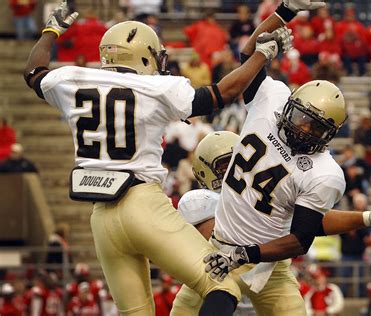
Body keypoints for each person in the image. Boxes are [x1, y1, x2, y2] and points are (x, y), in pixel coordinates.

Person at [23, 1, 292, 315]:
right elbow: (222, 94)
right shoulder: (157, 87)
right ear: (141, 54)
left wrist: (50, 31)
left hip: (102, 220)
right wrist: (262, 56)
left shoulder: (70, 80)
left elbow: (33, 72)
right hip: (143, 204)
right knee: (221, 286)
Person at [188, 4, 371, 316]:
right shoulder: (272, 100)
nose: (302, 128)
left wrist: (245, 254)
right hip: (218, 249)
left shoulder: (324, 173)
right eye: (300, 117)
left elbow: (300, 238)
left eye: (314, 126)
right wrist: (285, 11)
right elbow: (249, 54)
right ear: (290, 104)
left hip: (267, 264)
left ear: (330, 134)